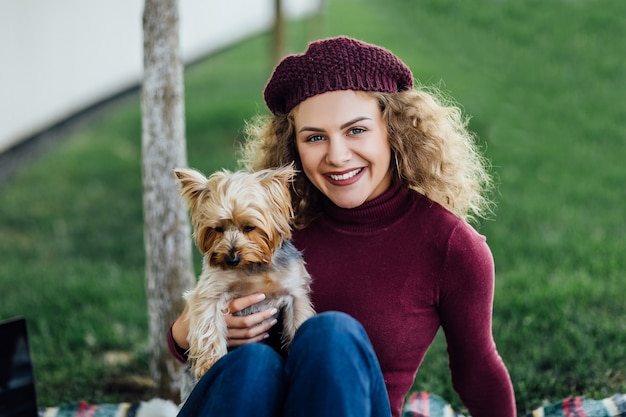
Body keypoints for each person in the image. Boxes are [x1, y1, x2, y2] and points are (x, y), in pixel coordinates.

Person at [168, 36, 516, 417]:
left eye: (356, 130)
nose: (337, 155)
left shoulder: (448, 245)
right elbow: (193, 343)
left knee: (330, 336)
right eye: (315, 137)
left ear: (394, 129)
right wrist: (185, 331)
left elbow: (477, 373)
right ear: (294, 145)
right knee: (254, 365)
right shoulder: (268, 222)